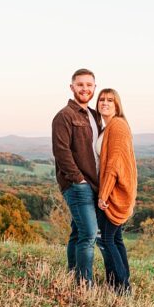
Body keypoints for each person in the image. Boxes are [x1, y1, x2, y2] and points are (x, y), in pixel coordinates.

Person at [51, 68, 103, 287]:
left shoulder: (94, 115)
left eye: (89, 85)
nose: (85, 89)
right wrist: (78, 179)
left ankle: (72, 277)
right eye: (80, 84)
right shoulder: (64, 116)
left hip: (94, 184)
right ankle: (85, 285)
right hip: (77, 184)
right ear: (72, 87)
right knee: (90, 235)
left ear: (94, 87)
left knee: (78, 232)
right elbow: (61, 151)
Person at [96, 88, 136, 294]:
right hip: (110, 191)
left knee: (106, 239)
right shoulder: (107, 127)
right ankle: (117, 283)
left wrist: (103, 194)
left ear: (117, 104)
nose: (104, 102)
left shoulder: (117, 125)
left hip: (113, 194)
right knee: (115, 238)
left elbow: (114, 164)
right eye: (101, 99)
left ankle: (122, 286)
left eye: (110, 100)